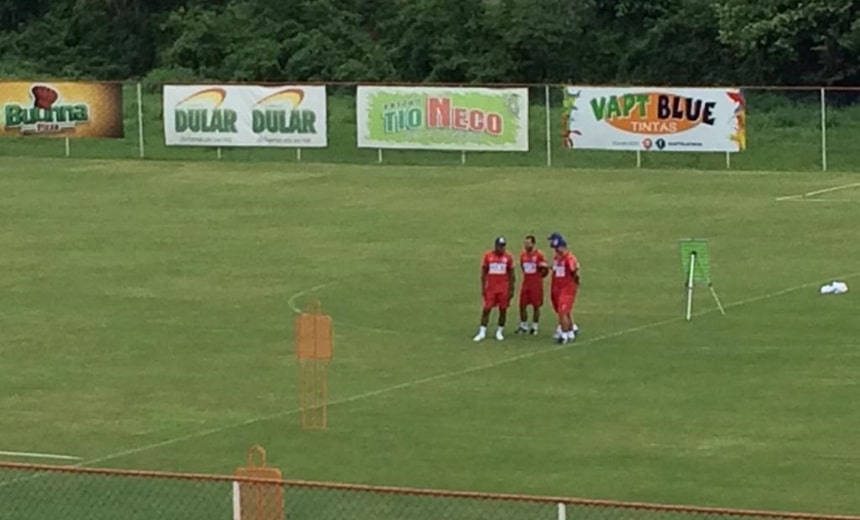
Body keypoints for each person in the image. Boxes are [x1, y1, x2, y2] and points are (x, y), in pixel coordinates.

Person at [473, 236, 515, 342]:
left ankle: (499, 331)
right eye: (500, 246)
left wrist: (511, 289)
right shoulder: (488, 256)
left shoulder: (508, 258)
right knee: (486, 309)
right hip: (491, 288)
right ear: (495, 246)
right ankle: (482, 331)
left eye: (503, 246)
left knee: (503, 310)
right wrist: (483, 287)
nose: (502, 248)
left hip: (503, 288)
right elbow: (484, 273)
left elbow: (511, 275)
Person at [549, 235, 580, 344]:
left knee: (563, 311)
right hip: (558, 287)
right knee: (564, 311)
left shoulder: (569, 258)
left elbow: (575, 272)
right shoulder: (557, 258)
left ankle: (564, 334)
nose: (556, 250)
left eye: (557, 248)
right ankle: (570, 331)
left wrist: (575, 284)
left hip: (567, 288)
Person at [516, 235, 548, 335]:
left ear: (533, 244)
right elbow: (523, 267)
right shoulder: (523, 255)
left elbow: (545, 268)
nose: (526, 245)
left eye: (528, 243)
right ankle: (523, 325)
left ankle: (535, 326)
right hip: (526, 283)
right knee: (522, 305)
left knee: (536, 306)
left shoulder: (539, 255)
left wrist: (540, 277)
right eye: (525, 243)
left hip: (536, 284)